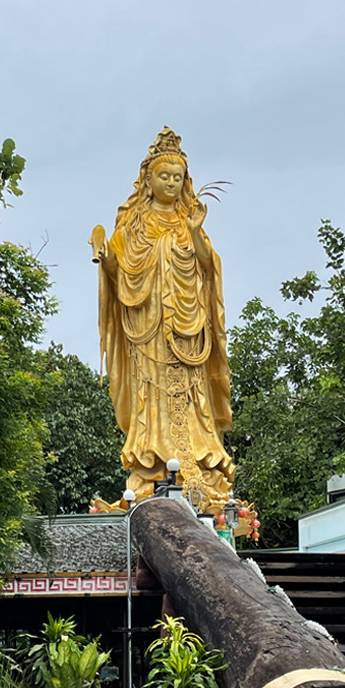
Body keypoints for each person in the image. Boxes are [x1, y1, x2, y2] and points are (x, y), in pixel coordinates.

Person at [93, 127, 235, 506]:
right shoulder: (133, 224)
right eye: (164, 176)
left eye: (177, 178)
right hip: (147, 328)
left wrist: (196, 234)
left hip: (188, 330)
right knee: (150, 399)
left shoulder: (190, 220)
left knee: (192, 399)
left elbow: (208, 268)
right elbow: (119, 273)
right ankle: (153, 468)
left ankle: (198, 468)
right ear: (148, 179)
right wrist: (105, 255)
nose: (171, 184)